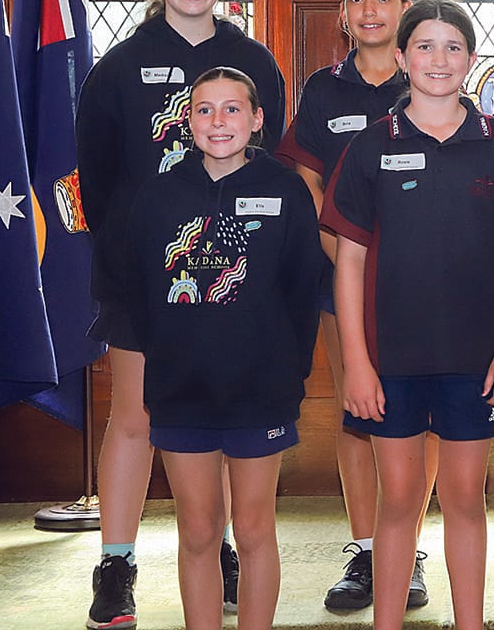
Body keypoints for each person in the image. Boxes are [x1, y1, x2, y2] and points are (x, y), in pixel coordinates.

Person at [77, 0, 286, 630]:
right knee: (136, 413)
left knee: (219, 407)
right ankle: (116, 564)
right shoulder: (119, 66)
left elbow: (269, 165)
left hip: (231, 272)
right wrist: (134, 251)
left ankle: (219, 546)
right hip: (143, 272)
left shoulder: (251, 59)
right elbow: (98, 179)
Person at [322, 0, 494, 630]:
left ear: (471, 59)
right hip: (390, 360)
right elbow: (348, 262)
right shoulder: (371, 147)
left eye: (453, 47)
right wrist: (357, 363)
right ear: (402, 57)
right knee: (398, 502)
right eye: (424, 46)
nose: (439, 59)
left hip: (475, 360)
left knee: (464, 500)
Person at [116, 68, 324, 630]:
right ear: (188, 121)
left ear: (257, 119)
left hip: (261, 391)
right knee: (199, 530)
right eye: (205, 110)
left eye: (233, 109)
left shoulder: (285, 190)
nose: (218, 121)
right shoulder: (158, 196)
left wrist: (288, 373)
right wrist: (168, 358)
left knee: (254, 529)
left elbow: (303, 290)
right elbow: (139, 292)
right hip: (182, 392)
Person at [276, 0, 435, 612]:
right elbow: (307, 180)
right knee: (359, 411)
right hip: (339, 274)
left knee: (419, 416)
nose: (371, 10)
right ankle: (368, 551)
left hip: (423, 282)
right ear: (342, 15)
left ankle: (409, 550)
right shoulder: (325, 89)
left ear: (405, 8)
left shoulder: (429, 73)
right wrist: (346, 256)